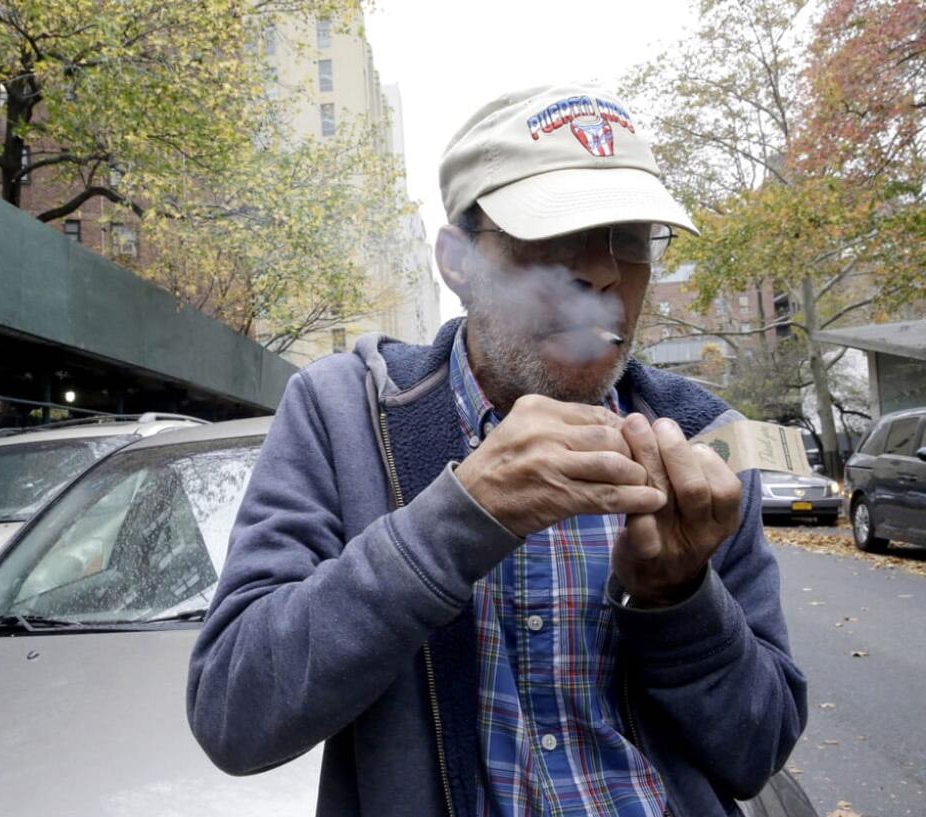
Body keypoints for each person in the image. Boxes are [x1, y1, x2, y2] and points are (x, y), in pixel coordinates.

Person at [187, 84, 807, 817]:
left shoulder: (695, 437)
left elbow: (758, 750)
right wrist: (457, 519)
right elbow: (234, 713)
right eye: (553, 234)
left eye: (631, 240)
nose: (603, 273)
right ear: (457, 260)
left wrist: (676, 598)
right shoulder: (343, 413)